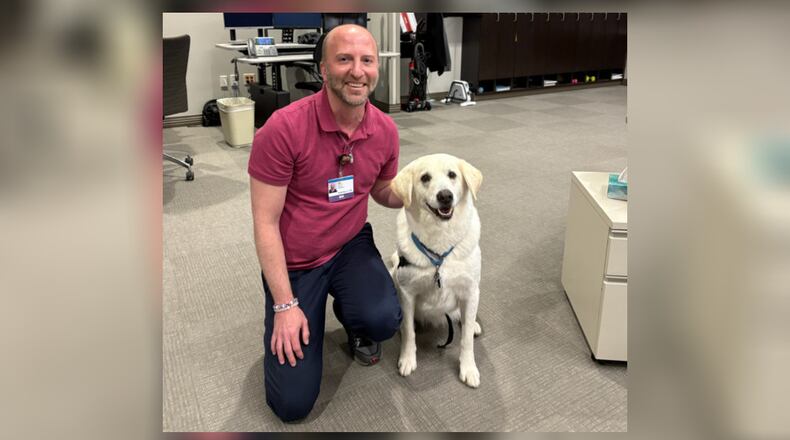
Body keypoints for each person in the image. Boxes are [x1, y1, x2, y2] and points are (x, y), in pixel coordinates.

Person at [248, 24, 404, 422]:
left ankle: (354, 321)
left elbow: (383, 191)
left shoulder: (385, 130)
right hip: (297, 260)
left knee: (384, 318)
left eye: (367, 60)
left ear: (377, 68)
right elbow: (265, 223)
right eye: (344, 59)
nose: (357, 71)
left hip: (350, 243)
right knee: (292, 405)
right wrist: (285, 305)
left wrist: (424, 195)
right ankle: (300, 310)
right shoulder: (282, 129)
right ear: (323, 69)